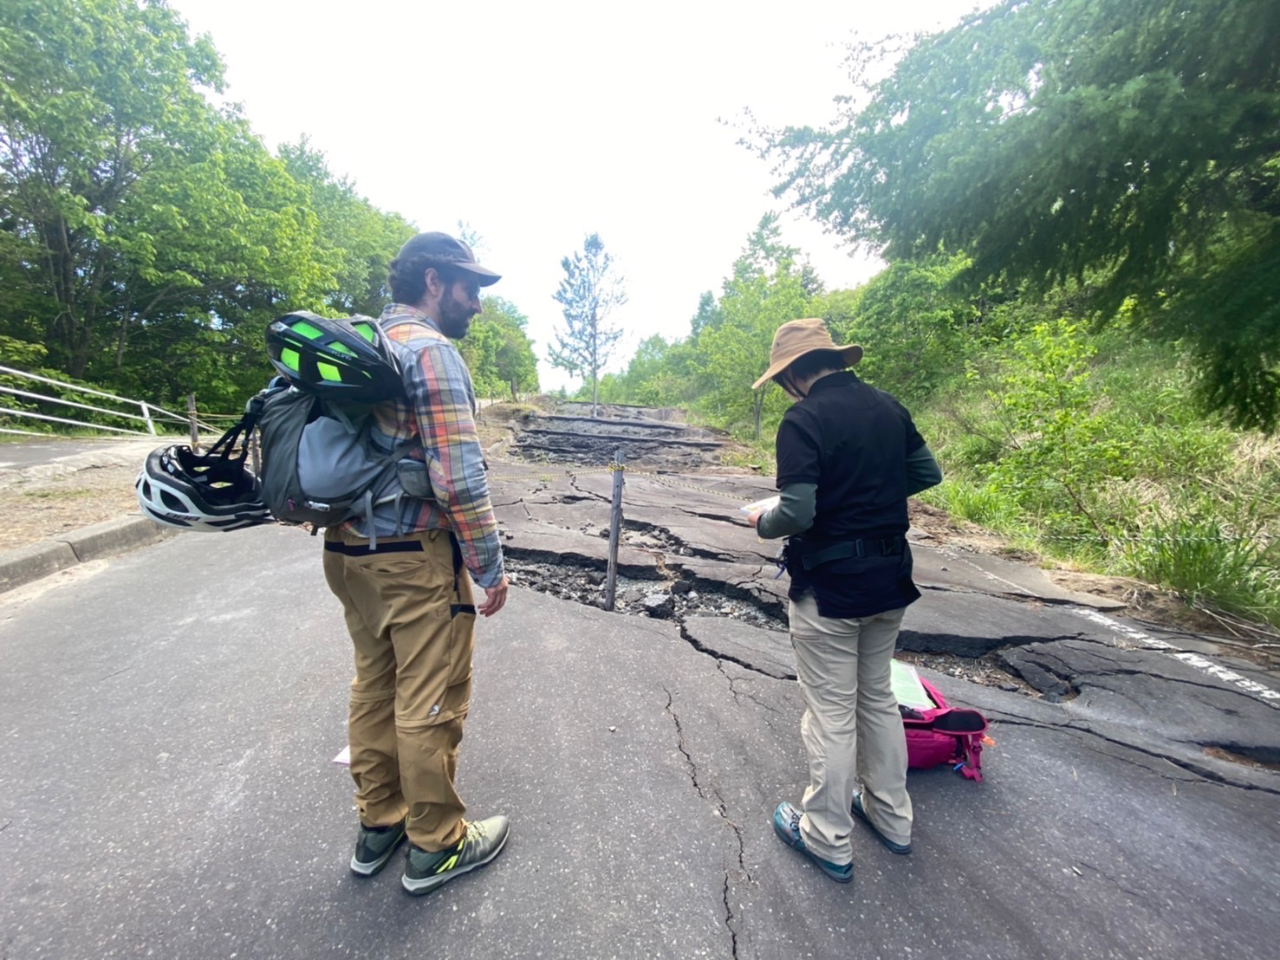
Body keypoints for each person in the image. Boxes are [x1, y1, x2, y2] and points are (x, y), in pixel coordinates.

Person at [321, 231, 512, 895]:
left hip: (347, 551)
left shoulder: (362, 343)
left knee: (373, 685)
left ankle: (380, 824)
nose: (477, 304)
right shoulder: (431, 352)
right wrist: (489, 566)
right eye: (470, 288)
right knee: (430, 697)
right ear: (433, 281)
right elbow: (457, 478)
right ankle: (437, 845)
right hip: (412, 556)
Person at [747, 318, 942, 884]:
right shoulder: (888, 405)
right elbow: (925, 471)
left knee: (831, 713)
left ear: (790, 375)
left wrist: (764, 521)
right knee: (877, 697)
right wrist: (867, 486)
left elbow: (799, 512)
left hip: (831, 585)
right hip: (889, 577)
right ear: (834, 360)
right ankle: (891, 817)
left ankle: (826, 837)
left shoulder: (803, 419)